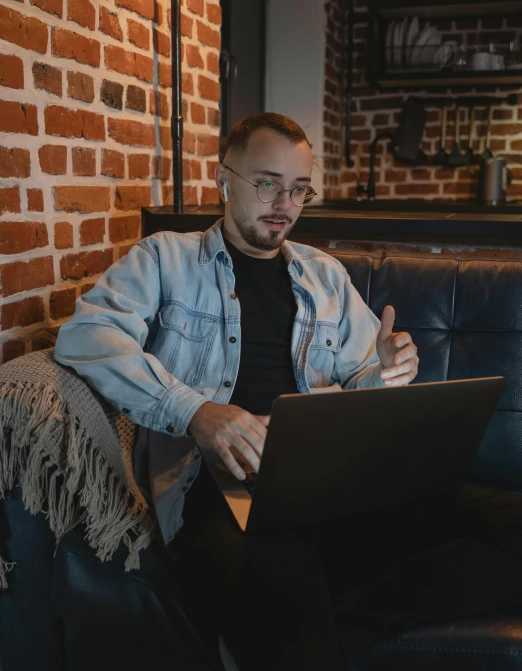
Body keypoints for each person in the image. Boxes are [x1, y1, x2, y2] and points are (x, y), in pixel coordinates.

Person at [55, 113, 522, 670]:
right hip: (220, 488)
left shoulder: (323, 275)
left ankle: (337, 621)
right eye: (268, 183)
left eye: (299, 189)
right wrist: (196, 411)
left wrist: (387, 372)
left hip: (336, 481)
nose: (285, 203)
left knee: (504, 526)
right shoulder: (165, 259)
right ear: (223, 179)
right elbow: (88, 336)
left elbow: (360, 383)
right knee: (283, 595)